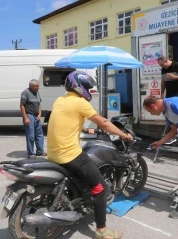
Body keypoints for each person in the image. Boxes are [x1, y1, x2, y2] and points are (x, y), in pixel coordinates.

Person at [47, 71, 133, 239]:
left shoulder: (60, 100)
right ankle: (102, 231)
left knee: (84, 177)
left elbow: (64, 121)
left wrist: (85, 129)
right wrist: (124, 135)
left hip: (53, 153)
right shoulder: (80, 102)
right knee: (101, 188)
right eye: (87, 87)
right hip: (69, 155)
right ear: (79, 87)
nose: (89, 90)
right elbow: (104, 123)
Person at [157, 56, 178, 145]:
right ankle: (171, 134)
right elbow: (163, 81)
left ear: (166, 60)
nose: (162, 67)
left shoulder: (177, 65)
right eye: (160, 66)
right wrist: (162, 93)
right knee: (167, 112)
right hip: (169, 94)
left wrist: (175, 77)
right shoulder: (164, 69)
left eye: (162, 65)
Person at [20, 79, 47, 158]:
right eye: (37, 86)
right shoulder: (25, 93)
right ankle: (31, 153)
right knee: (31, 135)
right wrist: (25, 118)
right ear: (31, 86)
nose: (38, 88)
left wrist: (40, 114)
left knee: (39, 134)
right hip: (29, 115)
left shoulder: (37, 92)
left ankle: (40, 151)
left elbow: (39, 104)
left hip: (36, 116)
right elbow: (22, 105)